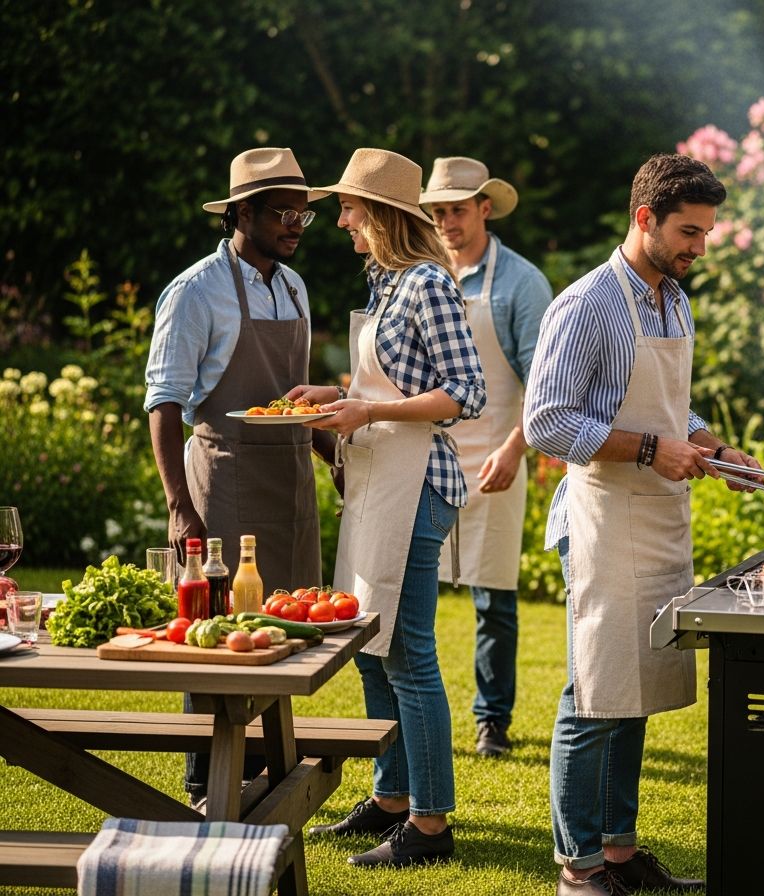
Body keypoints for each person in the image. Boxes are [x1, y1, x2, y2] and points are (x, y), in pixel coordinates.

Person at [525, 153, 760, 896]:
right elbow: (546, 422)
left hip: (657, 516)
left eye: (707, 233)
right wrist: (655, 450)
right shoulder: (586, 304)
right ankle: (578, 867)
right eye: (689, 232)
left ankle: (620, 855)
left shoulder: (673, 300)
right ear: (645, 218)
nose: (700, 247)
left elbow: (670, 407)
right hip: (602, 517)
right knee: (594, 694)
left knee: (634, 695)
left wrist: (714, 447)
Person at [292, 148, 486, 869]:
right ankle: (392, 798)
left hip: (418, 484)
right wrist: (336, 395)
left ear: (379, 214)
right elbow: (393, 381)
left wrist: (368, 409)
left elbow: (466, 393)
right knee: (369, 648)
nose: (340, 220)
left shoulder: (428, 283)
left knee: (407, 653)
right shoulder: (385, 283)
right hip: (376, 479)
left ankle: (431, 826)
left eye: (348, 207)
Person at [144, 146, 329, 808]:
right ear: (242, 213)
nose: (296, 227)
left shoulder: (294, 284)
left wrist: (332, 456)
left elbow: (293, 394)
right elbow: (164, 403)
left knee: (281, 629)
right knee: (218, 632)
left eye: (303, 215)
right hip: (223, 481)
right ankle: (206, 781)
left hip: (292, 480)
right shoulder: (196, 292)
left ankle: (267, 771)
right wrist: (179, 507)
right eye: (284, 213)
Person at [421, 156, 553, 758]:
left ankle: (491, 721)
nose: (447, 222)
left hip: (498, 452)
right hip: (429, 456)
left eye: (457, 210)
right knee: (413, 592)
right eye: (438, 212)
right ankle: (417, 709)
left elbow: (546, 386)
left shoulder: (521, 283)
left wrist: (513, 449)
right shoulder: (424, 276)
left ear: (485, 208)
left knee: (493, 596)